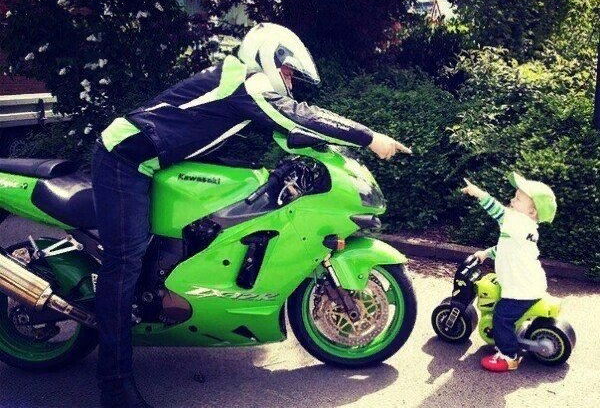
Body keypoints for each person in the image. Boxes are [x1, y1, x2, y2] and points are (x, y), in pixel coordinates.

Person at [92, 22, 412, 407]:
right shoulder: (245, 80)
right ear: (268, 57)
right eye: (287, 71)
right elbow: (298, 116)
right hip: (125, 158)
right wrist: (369, 137)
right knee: (124, 260)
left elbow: (290, 132)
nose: (289, 82)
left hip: (157, 162)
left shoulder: (243, 88)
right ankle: (114, 385)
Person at [461, 172, 557, 372]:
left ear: (532, 211)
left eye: (518, 199)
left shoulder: (518, 222)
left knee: (502, 316)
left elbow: (498, 211)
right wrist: (486, 254)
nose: (512, 200)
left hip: (522, 290)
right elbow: (507, 248)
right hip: (529, 285)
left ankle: (508, 356)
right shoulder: (525, 228)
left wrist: (478, 193)